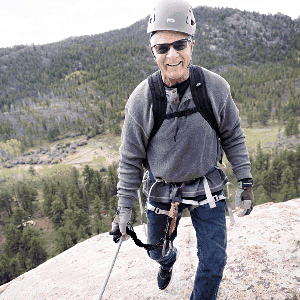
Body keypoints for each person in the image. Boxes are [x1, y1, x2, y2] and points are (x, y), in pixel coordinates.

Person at [110, 0, 255, 299]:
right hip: (163, 188)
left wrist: (246, 182)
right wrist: (124, 208)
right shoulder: (142, 99)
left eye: (180, 45)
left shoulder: (215, 88)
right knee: (157, 252)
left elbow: (233, 135)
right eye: (163, 48)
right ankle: (167, 261)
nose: (172, 55)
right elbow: (131, 159)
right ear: (153, 52)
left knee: (214, 263)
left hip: (206, 184)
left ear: (191, 45)